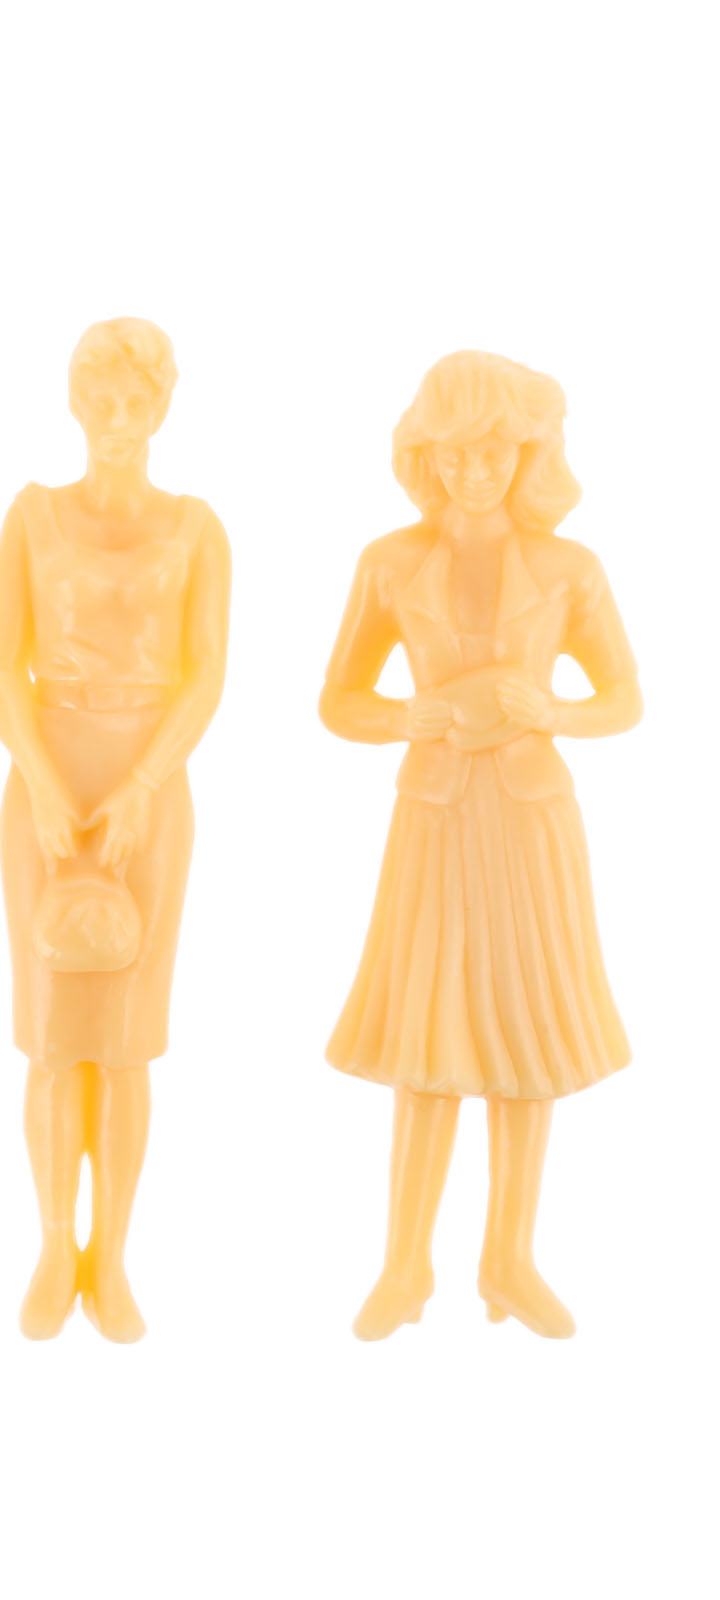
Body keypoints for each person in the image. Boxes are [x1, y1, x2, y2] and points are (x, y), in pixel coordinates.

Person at [321, 350, 640, 1340]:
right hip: (433, 813)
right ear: (425, 453)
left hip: (531, 817)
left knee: (525, 1035)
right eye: (454, 451)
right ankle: (404, 1265)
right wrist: (402, 717)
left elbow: (626, 698)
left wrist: (554, 709)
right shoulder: (387, 563)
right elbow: (337, 698)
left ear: (527, 452)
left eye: (493, 451)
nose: (472, 470)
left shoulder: (570, 570)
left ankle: (509, 1259)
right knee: (426, 1038)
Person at [0, 319, 230, 1341]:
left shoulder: (197, 528)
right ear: (74, 405)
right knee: (51, 1034)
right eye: (102, 401)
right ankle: (52, 1244)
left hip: (149, 787)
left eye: (137, 401)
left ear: (162, 408)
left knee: (124, 1042)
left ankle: (113, 1254)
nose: (119, 419)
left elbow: (206, 674)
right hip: (47, 776)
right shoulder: (32, 515)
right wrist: (41, 781)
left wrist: (144, 782)